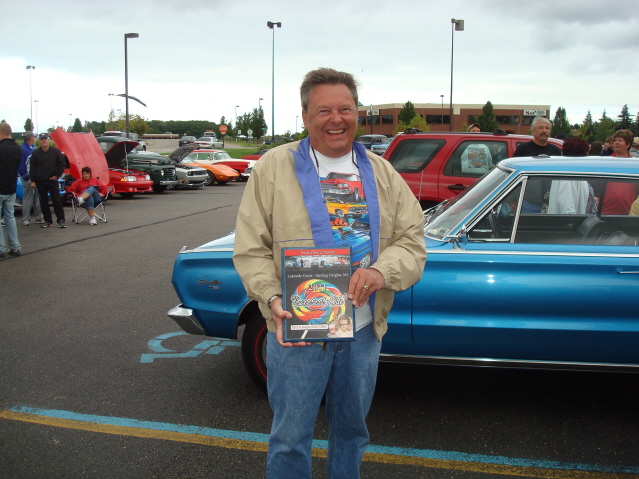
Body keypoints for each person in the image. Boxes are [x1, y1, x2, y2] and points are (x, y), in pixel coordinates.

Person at [233, 67, 426, 479]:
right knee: (290, 438)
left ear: (359, 113)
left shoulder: (381, 171)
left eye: (345, 108)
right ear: (305, 117)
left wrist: (380, 271)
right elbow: (250, 249)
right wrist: (272, 298)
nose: (336, 118)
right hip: (300, 326)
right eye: (324, 110)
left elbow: (412, 238)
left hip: (361, 329)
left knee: (352, 432)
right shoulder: (273, 168)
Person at [547, 138, 595, 215]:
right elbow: (567, 207)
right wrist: (573, 224)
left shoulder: (575, 171)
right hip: (572, 224)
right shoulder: (567, 175)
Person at [29, 133, 66, 228]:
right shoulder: (36, 153)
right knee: (43, 202)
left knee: (56, 201)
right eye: (41, 139)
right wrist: (33, 180)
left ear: (48, 140)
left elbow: (62, 164)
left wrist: (57, 176)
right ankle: (48, 220)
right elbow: (32, 167)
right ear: (39, 141)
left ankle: (61, 220)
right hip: (40, 181)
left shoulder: (56, 152)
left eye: (45, 139)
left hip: (52, 181)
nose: (43, 141)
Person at [601, 130, 638, 215]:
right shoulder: (605, 162)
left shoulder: (635, 164)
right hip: (605, 211)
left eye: (620, 140)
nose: (616, 143)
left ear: (628, 144)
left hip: (628, 211)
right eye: (615, 140)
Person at [0, 122, 22, 257]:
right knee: (10, 217)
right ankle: (15, 247)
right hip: (11, 186)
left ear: (1, 133)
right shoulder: (18, 148)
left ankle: (1, 249)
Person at [18, 131, 44, 226]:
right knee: (28, 197)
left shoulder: (32, 148)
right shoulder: (23, 149)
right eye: (33, 137)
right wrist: (26, 177)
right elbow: (21, 165)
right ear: (30, 138)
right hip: (28, 177)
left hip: (34, 177)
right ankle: (25, 219)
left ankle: (39, 217)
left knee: (37, 197)